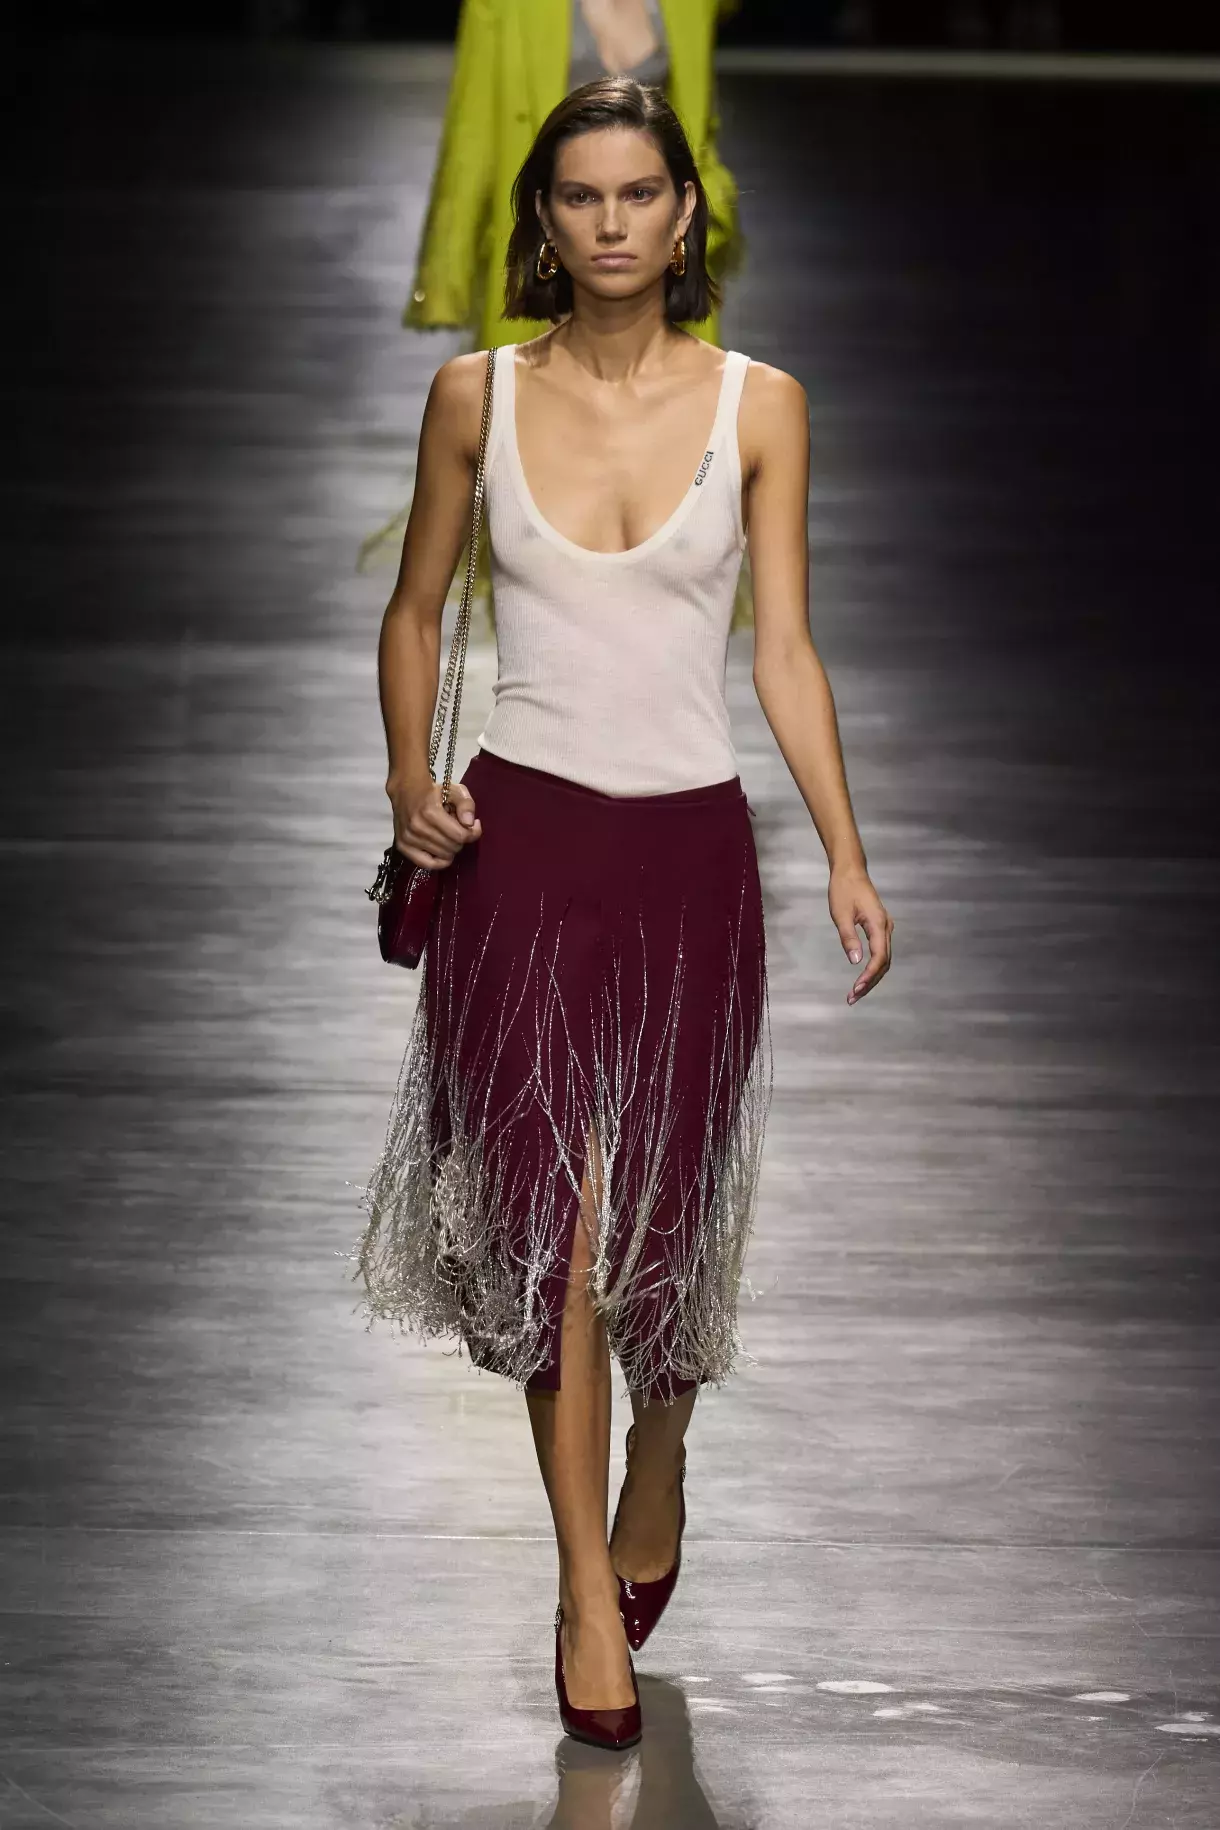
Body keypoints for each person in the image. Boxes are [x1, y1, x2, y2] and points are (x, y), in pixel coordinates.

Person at [358, 78, 894, 1751]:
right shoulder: (473, 397)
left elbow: (783, 647)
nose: (609, 222)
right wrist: (407, 785)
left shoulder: (760, 407)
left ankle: (662, 1452)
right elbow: (416, 609)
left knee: (662, 1232)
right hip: (517, 846)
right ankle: (584, 1588)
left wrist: (847, 850)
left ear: (683, 217)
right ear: (545, 220)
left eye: (637, 193)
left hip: (686, 859)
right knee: (557, 1228)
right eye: (580, 195)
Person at [406, 0, 743, 351]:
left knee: (668, 378)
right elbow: (472, 132)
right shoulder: (506, 6)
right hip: (550, 243)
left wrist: (711, 201)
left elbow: (698, 120)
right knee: (540, 377)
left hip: (656, 247)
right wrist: (447, 269)